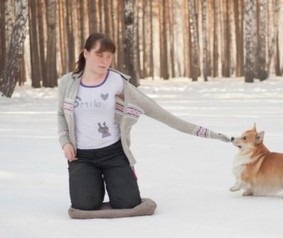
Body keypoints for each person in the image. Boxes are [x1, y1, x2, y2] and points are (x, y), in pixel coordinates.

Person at [57, 33, 230, 219]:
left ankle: (117, 179)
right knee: (85, 205)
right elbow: (61, 114)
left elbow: (156, 111)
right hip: (81, 157)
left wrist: (206, 133)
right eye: (100, 55)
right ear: (86, 53)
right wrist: (65, 142)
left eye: (109, 56)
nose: (105, 61)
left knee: (128, 202)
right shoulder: (68, 82)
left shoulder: (116, 81)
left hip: (114, 153)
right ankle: (91, 184)